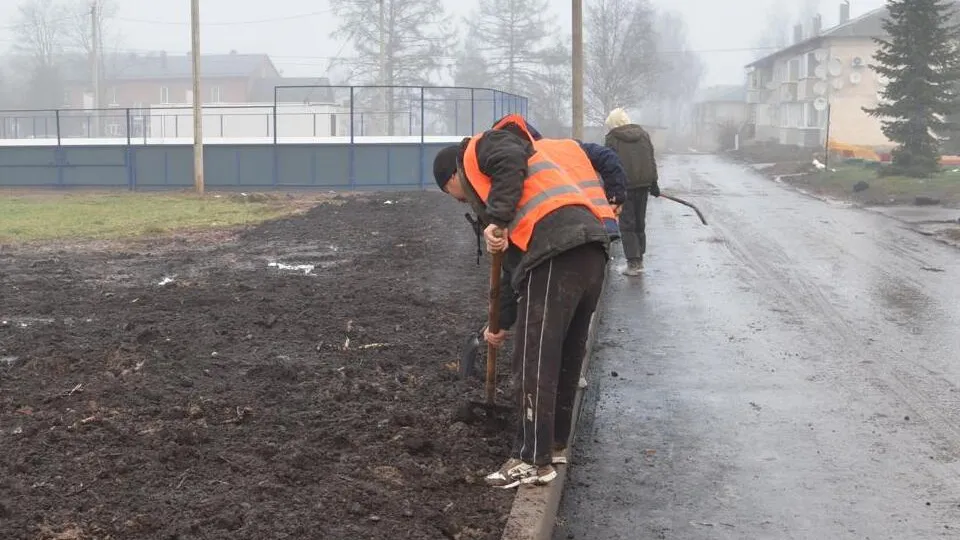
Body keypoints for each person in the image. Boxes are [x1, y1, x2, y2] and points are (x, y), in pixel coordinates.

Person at [433, 115, 616, 489]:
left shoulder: (481, 147)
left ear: (450, 178)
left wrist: (497, 219)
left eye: (452, 194)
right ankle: (553, 444)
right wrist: (498, 323)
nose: (461, 200)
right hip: (587, 251)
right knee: (563, 356)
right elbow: (516, 271)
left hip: (558, 252)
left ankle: (531, 459)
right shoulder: (519, 194)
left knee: (534, 359)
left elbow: (510, 157)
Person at [604, 108, 661, 276]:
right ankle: (639, 260)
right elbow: (651, 159)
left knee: (627, 224)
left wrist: (610, 188)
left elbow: (609, 165)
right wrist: (654, 182)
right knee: (639, 222)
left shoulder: (612, 138)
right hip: (643, 185)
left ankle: (633, 263)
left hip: (625, 186)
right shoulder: (643, 135)